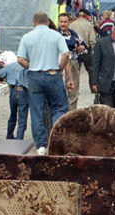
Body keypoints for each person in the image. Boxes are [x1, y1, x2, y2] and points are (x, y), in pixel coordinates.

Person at [17, 11, 73, 154]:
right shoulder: (56, 35)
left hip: (35, 75)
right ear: (48, 22)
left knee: (37, 111)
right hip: (52, 73)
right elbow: (66, 54)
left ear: (33, 23)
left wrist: (31, 66)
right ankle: (57, 135)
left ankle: (41, 145)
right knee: (59, 107)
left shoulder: (27, 37)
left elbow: (20, 59)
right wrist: (60, 67)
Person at [92, 17, 115, 108]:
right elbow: (96, 63)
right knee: (107, 110)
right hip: (106, 82)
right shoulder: (101, 43)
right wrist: (94, 82)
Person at [57, 12, 87, 111]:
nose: (63, 24)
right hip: (60, 64)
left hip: (73, 62)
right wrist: (73, 45)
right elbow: (66, 45)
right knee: (60, 92)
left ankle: (71, 115)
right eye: (61, 21)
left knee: (73, 92)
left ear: (69, 22)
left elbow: (84, 46)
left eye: (65, 22)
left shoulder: (74, 34)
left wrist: (80, 48)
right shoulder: (55, 34)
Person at [0, 55, 29, 139]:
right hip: (23, 91)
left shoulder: (11, 65)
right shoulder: (28, 67)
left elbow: (0, 74)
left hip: (12, 91)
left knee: (12, 115)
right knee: (22, 120)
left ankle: (9, 136)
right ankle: (19, 139)